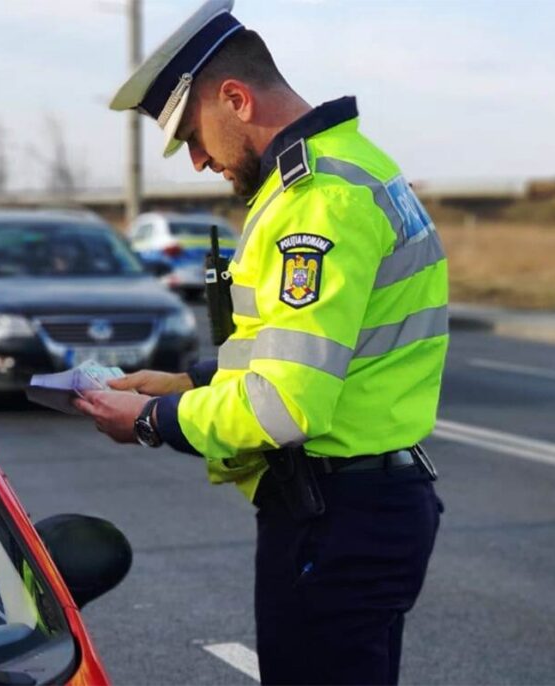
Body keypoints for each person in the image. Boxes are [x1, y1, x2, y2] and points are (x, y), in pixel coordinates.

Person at [72, 2, 449, 683]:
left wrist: (154, 420)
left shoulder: (317, 201)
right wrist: (191, 382)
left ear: (236, 99)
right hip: (363, 508)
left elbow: (284, 404)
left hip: (336, 518)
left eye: (192, 135)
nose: (197, 161)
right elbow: (305, 347)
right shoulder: (355, 164)